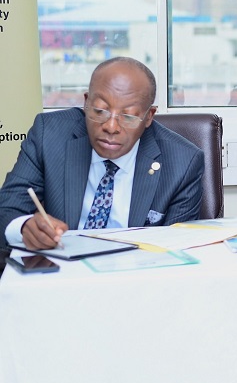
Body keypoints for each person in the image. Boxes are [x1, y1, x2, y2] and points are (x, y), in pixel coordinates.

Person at [0, 57, 205, 250]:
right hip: (60, 272)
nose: (111, 126)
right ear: (86, 103)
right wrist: (24, 227)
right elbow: (7, 208)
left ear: (149, 116)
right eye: (99, 110)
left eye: (128, 116)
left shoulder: (183, 162)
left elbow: (177, 250)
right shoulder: (50, 134)